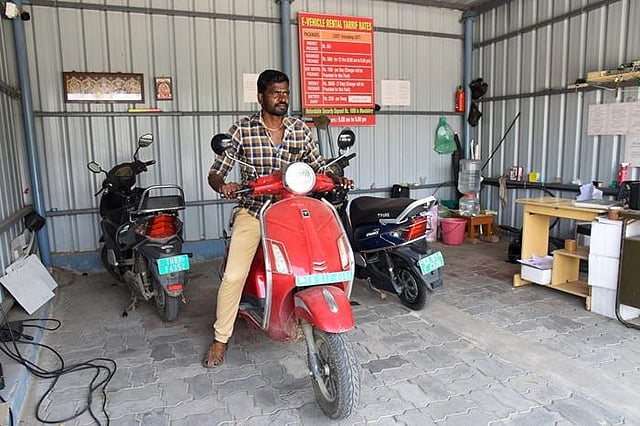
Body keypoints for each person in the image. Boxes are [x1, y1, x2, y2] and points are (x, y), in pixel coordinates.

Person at [204, 69, 351, 367]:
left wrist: (337, 178)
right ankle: (221, 338)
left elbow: (318, 165)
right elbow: (216, 172)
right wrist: (223, 185)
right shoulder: (242, 130)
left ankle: (307, 308)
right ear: (261, 97)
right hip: (255, 211)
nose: (282, 98)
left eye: (285, 93)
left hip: (293, 210)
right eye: (275, 93)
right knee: (234, 276)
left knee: (321, 260)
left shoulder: (299, 130)